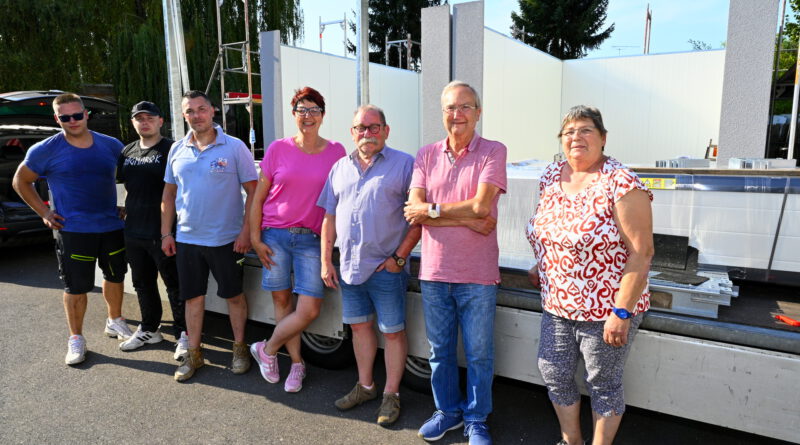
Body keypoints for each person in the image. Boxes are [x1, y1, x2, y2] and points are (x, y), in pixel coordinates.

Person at [526, 105, 654, 445]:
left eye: (585, 130)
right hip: (557, 303)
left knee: (603, 383)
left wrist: (621, 312)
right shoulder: (552, 176)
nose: (575, 137)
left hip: (606, 308)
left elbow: (642, 251)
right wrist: (543, 261)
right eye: (568, 132)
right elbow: (551, 229)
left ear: (603, 138)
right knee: (554, 373)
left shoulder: (621, 181)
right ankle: (571, 440)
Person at [404, 81, 506, 445]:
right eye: (450, 107)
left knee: (479, 354)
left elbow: (482, 208)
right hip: (434, 272)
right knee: (439, 351)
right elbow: (414, 213)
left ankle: (476, 418)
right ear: (442, 112)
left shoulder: (493, 151)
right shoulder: (426, 154)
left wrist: (433, 211)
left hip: (477, 276)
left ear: (478, 112)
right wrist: (462, 216)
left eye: (465, 107)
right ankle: (447, 411)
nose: (457, 114)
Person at [12, 92, 133, 365]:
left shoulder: (111, 145)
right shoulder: (45, 149)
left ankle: (115, 320)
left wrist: (125, 203)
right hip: (73, 229)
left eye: (77, 115)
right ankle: (76, 338)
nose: (72, 121)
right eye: (65, 117)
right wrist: (44, 212)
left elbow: (131, 177)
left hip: (111, 225)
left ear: (86, 114)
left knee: (115, 276)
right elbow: (21, 181)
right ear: (57, 119)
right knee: (76, 286)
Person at [318, 105, 421, 425]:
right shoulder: (339, 168)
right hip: (349, 267)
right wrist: (326, 261)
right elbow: (329, 218)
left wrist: (398, 259)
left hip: (386, 269)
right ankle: (365, 386)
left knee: (392, 332)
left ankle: (391, 394)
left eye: (374, 127)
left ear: (386, 131)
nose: (367, 133)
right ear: (352, 133)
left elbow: (417, 218)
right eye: (361, 128)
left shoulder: (405, 164)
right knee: (360, 328)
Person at [249, 87, 345, 393]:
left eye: (314, 110)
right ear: (294, 115)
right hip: (274, 235)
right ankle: (297, 364)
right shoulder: (278, 148)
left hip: (311, 240)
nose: (308, 116)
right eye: (302, 110)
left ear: (323, 115)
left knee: (309, 309)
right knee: (281, 301)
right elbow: (259, 198)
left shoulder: (336, 152)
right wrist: (254, 237)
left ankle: (267, 349)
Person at [161, 90, 258, 382]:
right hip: (188, 239)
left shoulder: (234, 147)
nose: (196, 115)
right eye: (190, 111)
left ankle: (240, 349)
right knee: (192, 298)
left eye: (201, 109)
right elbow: (168, 193)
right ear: (183, 115)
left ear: (213, 111)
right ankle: (194, 354)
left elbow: (254, 191)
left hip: (227, 239)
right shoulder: (177, 149)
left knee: (234, 296)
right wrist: (167, 232)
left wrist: (246, 232)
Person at [117, 101, 187, 359]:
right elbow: (124, 186)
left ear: (161, 121)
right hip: (134, 231)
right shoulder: (127, 151)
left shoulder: (172, 149)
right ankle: (149, 328)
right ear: (133, 122)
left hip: (163, 230)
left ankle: (183, 334)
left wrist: (167, 230)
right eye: (139, 118)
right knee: (142, 283)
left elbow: (179, 188)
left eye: (149, 118)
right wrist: (122, 207)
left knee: (174, 284)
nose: (144, 122)